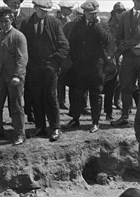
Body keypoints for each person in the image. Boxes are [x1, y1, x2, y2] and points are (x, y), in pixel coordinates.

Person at [22, 0, 69, 142]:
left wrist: (55, 62)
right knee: (36, 97)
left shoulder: (54, 23)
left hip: (50, 68)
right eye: (41, 9)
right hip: (33, 68)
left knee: (50, 96)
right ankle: (40, 126)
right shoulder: (25, 23)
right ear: (35, 8)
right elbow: (23, 46)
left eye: (46, 10)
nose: (44, 12)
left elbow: (64, 45)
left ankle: (55, 127)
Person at [63, 0, 110, 133]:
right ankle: (75, 119)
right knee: (77, 93)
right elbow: (72, 42)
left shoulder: (102, 25)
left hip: (96, 66)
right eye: (88, 13)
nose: (91, 15)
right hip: (80, 66)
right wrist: (75, 60)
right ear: (84, 12)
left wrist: (97, 25)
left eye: (93, 13)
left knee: (96, 94)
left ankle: (95, 122)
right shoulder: (78, 24)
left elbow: (107, 40)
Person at [0, 7, 28, 145]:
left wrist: (17, 75)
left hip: (14, 77)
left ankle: (19, 134)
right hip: (0, 76)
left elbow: (22, 58)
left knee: (16, 106)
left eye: (6, 21)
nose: (3, 23)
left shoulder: (18, 36)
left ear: (11, 20)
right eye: (0, 21)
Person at [102, 1, 125, 121]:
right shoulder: (107, 26)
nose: (120, 14)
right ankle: (108, 112)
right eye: (118, 11)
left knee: (121, 82)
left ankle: (118, 101)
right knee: (109, 85)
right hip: (110, 58)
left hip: (122, 56)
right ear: (114, 12)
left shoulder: (126, 25)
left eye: (123, 11)